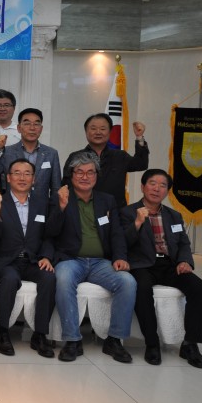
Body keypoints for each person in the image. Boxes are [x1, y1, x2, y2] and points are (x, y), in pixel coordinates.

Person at [48, 152, 136, 363]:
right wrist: (61, 207)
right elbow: (49, 232)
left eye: (90, 172)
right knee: (63, 279)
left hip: (100, 263)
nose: (85, 177)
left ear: (97, 175)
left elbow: (116, 233)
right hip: (71, 260)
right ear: (71, 175)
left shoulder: (107, 200)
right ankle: (72, 340)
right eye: (79, 172)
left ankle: (114, 340)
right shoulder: (60, 197)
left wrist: (120, 257)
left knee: (128, 282)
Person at [121, 169, 202, 368]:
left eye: (162, 185)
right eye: (152, 183)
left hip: (170, 264)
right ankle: (152, 343)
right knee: (142, 289)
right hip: (143, 265)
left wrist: (185, 261)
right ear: (143, 187)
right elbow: (123, 243)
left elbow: (184, 244)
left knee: (199, 289)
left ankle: (190, 344)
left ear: (167, 191)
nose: (157, 189)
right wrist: (137, 222)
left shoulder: (174, 215)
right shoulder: (127, 212)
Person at [0, 159, 56, 358]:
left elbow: (49, 235)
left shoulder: (42, 204)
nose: (22, 177)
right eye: (17, 173)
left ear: (34, 179)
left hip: (34, 260)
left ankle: (40, 334)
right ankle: (2, 332)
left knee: (49, 278)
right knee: (9, 280)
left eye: (27, 174)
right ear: (8, 178)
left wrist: (46, 256)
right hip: (6, 261)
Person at [62, 113, 148, 209]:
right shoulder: (75, 157)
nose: (98, 132)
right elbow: (66, 185)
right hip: (84, 211)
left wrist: (139, 137)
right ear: (86, 132)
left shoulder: (120, 156)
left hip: (115, 211)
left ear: (110, 132)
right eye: (93, 128)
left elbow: (141, 164)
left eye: (103, 129)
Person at [0, 108, 61, 204]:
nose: (32, 128)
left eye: (36, 124)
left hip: (42, 208)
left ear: (41, 129)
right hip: (12, 207)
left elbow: (56, 188)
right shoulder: (7, 152)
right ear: (19, 128)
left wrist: (54, 209)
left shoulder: (51, 153)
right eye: (27, 123)